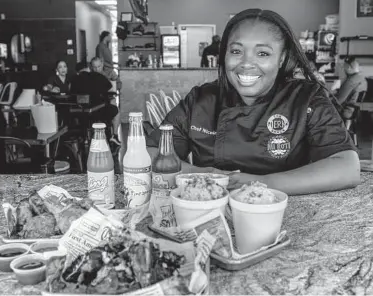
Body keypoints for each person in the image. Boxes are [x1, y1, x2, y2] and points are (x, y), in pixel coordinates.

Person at [148, 9, 360, 195]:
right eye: (236, 51)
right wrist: (205, 174)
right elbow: (148, 153)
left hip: (285, 212)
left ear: (282, 58)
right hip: (210, 209)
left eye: (262, 53)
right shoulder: (201, 99)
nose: (246, 63)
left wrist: (262, 183)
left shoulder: (305, 98)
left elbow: (347, 167)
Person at [70, 58, 121, 146]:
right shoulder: (98, 77)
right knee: (115, 110)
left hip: (81, 114)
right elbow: (111, 90)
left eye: (98, 67)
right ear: (89, 68)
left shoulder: (74, 80)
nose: (96, 69)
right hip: (98, 111)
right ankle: (113, 135)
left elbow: (71, 94)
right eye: (94, 67)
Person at [335, 57, 368, 121]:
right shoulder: (363, 79)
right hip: (353, 111)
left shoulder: (351, 81)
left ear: (348, 67)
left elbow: (338, 101)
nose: (343, 69)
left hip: (345, 111)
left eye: (344, 67)